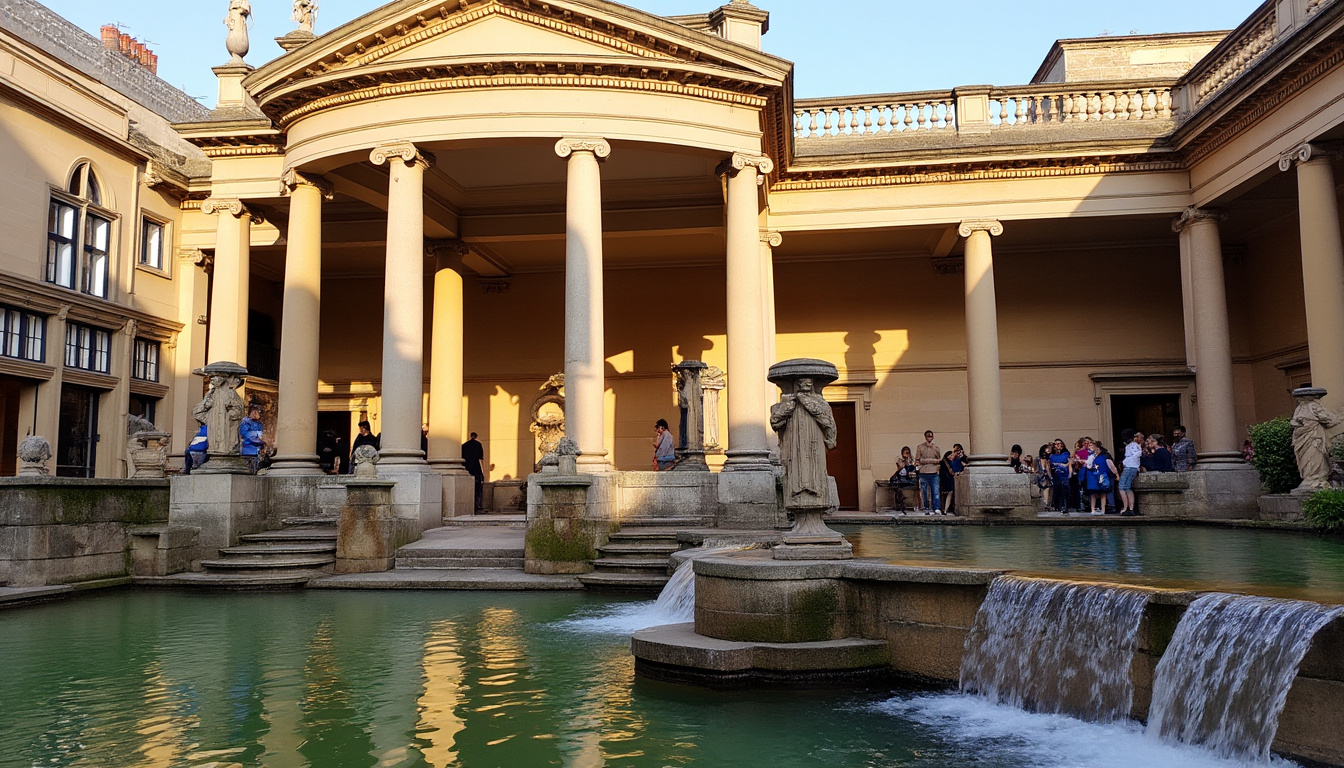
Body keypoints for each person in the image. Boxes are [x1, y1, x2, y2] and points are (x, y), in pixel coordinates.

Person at [1084, 440, 1119, 514]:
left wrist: (1116, 474)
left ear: (1097, 448)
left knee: (1106, 492)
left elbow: (1112, 467)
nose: (1090, 448)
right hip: (1094, 477)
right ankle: (1095, 508)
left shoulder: (1105, 455)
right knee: (1094, 493)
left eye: (1091, 446)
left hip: (1105, 476)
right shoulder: (1092, 456)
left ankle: (1110, 507)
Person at [1118, 429, 1143, 515]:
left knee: (1121, 486)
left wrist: (1125, 462)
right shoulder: (1133, 445)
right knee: (1127, 487)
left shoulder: (1132, 446)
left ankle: (1125, 508)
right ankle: (1130, 508)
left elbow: (1137, 454)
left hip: (1129, 467)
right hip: (1133, 467)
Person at [915, 431, 941, 514]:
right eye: (928, 436)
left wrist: (927, 461)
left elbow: (939, 460)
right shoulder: (920, 447)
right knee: (924, 492)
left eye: (931, 436)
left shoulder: (936, 447)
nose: (929, 438)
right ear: (925, 437)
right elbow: (918, 460)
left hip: (934, 472)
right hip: (923, 472)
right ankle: (926, 507)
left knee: (935, 492)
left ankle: (936, 508)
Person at [240, 404, 267, 474]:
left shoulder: (258, 424)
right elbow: (245, 435)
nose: (256, 414)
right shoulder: (245, 423)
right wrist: (257, 434)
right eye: (254, 413)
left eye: (257, 412)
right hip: (248, 451)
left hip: (256, 451)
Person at [463, 432, 485, 511]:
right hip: (476, 468)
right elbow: (481, 458)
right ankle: (477, 505)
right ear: (476, 437)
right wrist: (482, 471)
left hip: (467, 468)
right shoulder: (478, 444)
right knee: (478, 488)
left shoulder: (464, 445)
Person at [1048, 439, 1072, 514]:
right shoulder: (1051, 456)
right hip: (1055, 475)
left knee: (1065, 490)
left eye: (1059, 443)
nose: (1058, 445)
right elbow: (1048, 466)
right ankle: (1057, 505)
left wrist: (1070, 473)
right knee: (1057, 490)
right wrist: (1050, 476)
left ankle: (1065, 506)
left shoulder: (1066, 454)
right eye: (1056, 444)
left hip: (1064, 475)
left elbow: (1070, 463)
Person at [891, 446, 917, 512]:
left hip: (907, 478)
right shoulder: (899, 459)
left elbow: (913, 468)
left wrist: (910, 462)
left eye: (907, 453)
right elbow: (900, 468)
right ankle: (899, 502)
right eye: (904, 453)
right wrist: (904, 461)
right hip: (899, 477)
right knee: (896, 486)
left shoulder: (911, 460)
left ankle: (903, 501)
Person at [940, 444, 965, 515]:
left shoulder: (953, 461)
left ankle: (945, 509)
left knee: (949, 494)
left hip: (948, 481)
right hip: (947, 481)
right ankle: (945, 509)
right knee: (948, 494)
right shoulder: (946, 463)